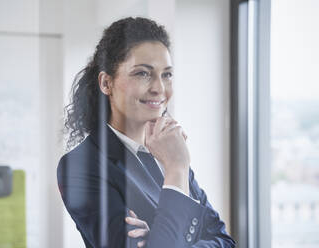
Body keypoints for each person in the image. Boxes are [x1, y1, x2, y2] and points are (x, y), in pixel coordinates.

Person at [57, 17, 235, 248]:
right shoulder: (81, 165)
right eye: (142, 73)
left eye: (167, 74)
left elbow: (225, 241)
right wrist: (176, 170)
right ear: (106, 83)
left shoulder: (169, 153)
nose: (159, 88)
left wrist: (159, 238)